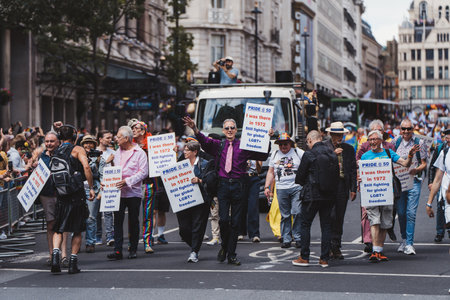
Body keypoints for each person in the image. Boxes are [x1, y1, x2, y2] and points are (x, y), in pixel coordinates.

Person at [183, 116, 271, 266]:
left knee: (235, 222)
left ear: (236, 130)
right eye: (227, 128)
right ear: (223, 131)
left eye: (232, 128)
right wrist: (195, 128)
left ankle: (231, 254)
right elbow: (204, 141)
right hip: (223, 186)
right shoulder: (219, 144)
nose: (230, 130)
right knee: (223, 220)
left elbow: (262, 154)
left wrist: (267, 138)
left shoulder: (244, 146)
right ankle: (225, 245)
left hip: (238, 186)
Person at [360, 130, 418, 263]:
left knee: (385, 223)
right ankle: (375, 251)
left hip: (387, 193)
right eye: (370, 140)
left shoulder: (388, 153)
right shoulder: (365, 156)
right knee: (374, 221)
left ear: (381, 141)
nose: (373, 142)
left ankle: (379, 251)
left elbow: (405, 164)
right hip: (372, 193)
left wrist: (410, 156)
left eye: (375, 139)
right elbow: (361, 174)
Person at [51, 125, 95, 274]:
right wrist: (91, 187)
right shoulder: (77, 149)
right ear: (75, 136)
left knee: (58, 227)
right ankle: (73, 262)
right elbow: (87, 167)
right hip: (76, 194)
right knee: (77, 229)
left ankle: (55, 255)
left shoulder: (55, 150)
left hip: (61, 194)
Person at [292, 130, 337, 268]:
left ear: (310, 140)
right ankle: (324, 258)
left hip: (312, 195)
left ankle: (304, 257)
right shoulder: (332, 153)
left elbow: (299, 177)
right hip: (329, 195)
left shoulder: (309, 154)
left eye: (307, 142)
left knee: (305, 225)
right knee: (326, 226)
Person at [107, 126, 148, 260]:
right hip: (118, 193)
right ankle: (118, 250)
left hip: (133, 192)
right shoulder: (116, 153)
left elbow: (143, 172)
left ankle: (133, 248)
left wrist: (127, 181)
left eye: (119, 136)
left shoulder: (139, 152)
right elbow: (112, 172)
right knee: (117, 221)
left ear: (126, 138)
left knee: (133, 221)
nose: (116, 139)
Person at [356, 119, 396, 253]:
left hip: (384, 188)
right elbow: (357, 163)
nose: (375, 135)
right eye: (373, 132)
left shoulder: (389, 147)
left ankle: (379, 244)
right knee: (367, 215)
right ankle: (369, 242)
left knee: (385, 216)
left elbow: (396, 165)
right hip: (369, 188)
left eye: (379, 131)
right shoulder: (364, 147)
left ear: (383, 133)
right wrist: (359, 176)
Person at [393, 119, 427, 255]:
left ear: (413, 129)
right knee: (401, 212)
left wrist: (416, 169)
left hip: (414, 181)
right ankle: (404, 239)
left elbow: (424, 163)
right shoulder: (395, 142)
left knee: (410, 213)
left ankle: (410, 243)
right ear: (400, 129)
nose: (406, 131)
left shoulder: (420, 142)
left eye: (409, 129)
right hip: (400, 182)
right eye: (404, 128)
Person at [264, 133, 304, 248]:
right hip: (281, 189)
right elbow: (271, 172)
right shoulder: (275, 154)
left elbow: (309, 162)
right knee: (285, 215)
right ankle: (286, 238)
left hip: (296, 188)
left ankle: (298, 237)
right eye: (281, 144)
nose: (283, 146)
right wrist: (267, 187)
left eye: (285, 144)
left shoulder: (298, 152)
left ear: (290, 144)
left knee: (297, 212)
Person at [324, 122, 357, 259]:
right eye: (336, 135)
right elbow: (318, 163)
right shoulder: (324, 147)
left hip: (342, 185)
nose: (339, 137)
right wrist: (332, 154)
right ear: (331, 134)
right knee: (329, 216)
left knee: (339, 217)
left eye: (341, 135)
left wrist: (353, 188)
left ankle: (336, 246)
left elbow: (353, 170)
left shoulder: (348, 149)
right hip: (327, 186)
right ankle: (328, 246)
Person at [176, 141, 212, 262]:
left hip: (201, 201)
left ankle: (194, 251)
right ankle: (195, 245)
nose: (184, 152)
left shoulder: (205, 164)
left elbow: (211, 181)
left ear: (195, 152)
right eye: (184, 150)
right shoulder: (181, 164)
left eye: (187, 150)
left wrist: (199, 180)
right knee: (183, 229)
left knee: (197, 226)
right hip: (185, 200)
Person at [38, 131, 68, 267]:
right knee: (50, 224)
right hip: (47, 194)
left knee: (63, 224)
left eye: (52, 141)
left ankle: (64, 255)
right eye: (47, 141)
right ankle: (51, 255)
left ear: (58, 142)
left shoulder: (63, 155)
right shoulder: (41, 157)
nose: (49, 144)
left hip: (62, 194)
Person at [128, 119, 156, 253]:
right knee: (132, 215)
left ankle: (147, 242)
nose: (133, 130)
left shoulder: (153, 145)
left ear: (143, 131)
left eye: (136, 128)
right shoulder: (127, 146)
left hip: (148, 183)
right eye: (132, 128)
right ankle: (132, 242)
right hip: (132, 185)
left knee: (147, 214)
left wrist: (171, 151)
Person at [427, 129, 450, 242]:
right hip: (446, 193)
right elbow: (435, 172)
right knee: (441, 208)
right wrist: (429, 203)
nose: (447, 139)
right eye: (446, 137)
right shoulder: (443, 151)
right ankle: (440, 231)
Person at [80, 135, 102, 253]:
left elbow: (103, 175)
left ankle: (90, 242)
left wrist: (101, 191)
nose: (88, 145)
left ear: (94, 145)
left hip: (93, 188)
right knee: (77, 216)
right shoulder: (77, 156)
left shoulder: (98, 158)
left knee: (91, 218)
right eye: (85, 143)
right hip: (78, 188)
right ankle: (76, 242)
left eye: (90, 143)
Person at [95, 130, 115, 247]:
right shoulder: (94, 152)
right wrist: (106, 161)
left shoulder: (112, 152)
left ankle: (109, 236)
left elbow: (115, 168)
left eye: (110, 138)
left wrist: (111, 162)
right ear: (100, 139)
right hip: (97, 184)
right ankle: (98, 236)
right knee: (96, 212)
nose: (109, 140)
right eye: (107, 138)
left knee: (108, 211)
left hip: (109, 184)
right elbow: (94, 170)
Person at [238, 160, 262, 243]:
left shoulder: (256, 152)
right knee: (241, 205)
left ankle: (255, 233)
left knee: (253, 205)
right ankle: (240, 231)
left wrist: (256, 161)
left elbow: (259, 170)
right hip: (242, 178)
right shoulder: (241, 151)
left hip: (254, 178)